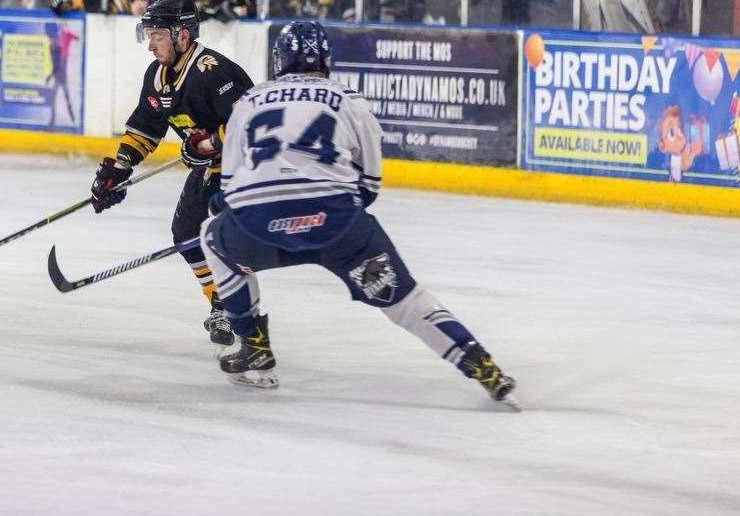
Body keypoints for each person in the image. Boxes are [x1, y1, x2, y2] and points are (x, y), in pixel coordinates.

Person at [198, 20, 519, 407]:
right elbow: (368, 185)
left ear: (278, 60)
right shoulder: (350, 99)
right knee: (406, 302)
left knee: (211, 238)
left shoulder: (250, 101)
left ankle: (253, 344)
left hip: (258, 228)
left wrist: (234, 211)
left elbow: (229, 187)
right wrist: (326, 218)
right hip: (339, 228)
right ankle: (481, 364)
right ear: (327, 60)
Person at [90, 0, 255, 347]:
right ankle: (219, 302)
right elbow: (145, 129)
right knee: (185, 233)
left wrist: (209, 143)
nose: (150, 45)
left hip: (245, 171)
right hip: (209, 169)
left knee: (223, 236)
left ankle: (235, 305)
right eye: (147, 35)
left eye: (157, 35)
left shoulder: (213, 71)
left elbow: (251, 124)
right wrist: (119, 169)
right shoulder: (158, 75)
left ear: (183, 35)